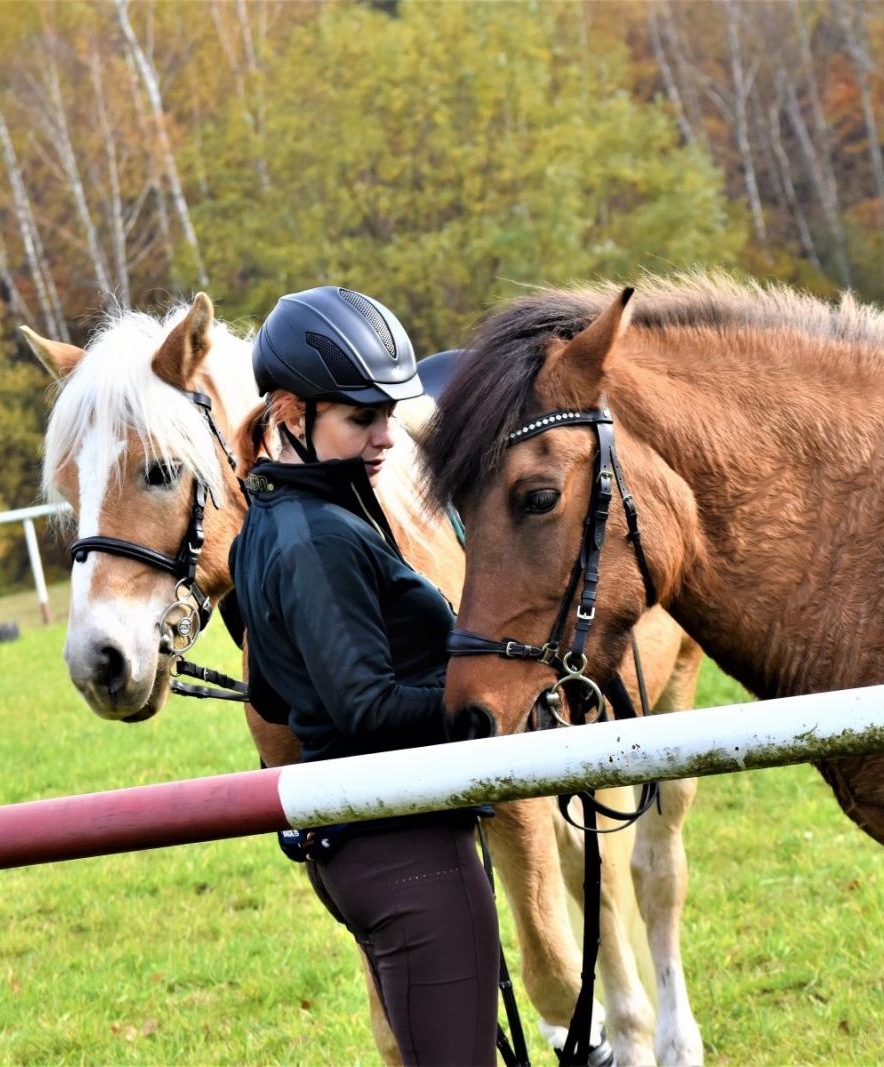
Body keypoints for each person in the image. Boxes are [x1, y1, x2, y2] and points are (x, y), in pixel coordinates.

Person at [229, 286, 500, 1065]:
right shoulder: (317, 537)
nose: (388, 436)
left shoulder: (277, 516)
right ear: (288, 411)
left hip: (365, 848)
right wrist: (483, 703)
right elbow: (365, 705)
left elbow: (275, 694)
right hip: (405, 851)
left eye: (389, 412)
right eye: (361, 418)